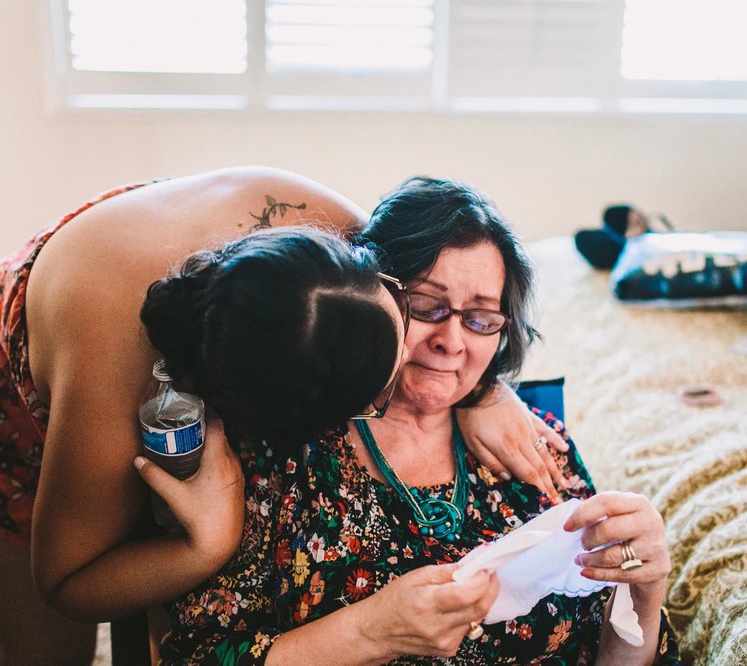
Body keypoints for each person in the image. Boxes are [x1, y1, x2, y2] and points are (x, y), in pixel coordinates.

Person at [0, 167, 566, 665]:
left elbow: (452, 280)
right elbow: (67, 581)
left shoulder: (347, 244)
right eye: (416, 315)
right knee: (43, 652)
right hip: (3, 363)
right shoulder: (113, 365)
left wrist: (485, 389)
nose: (424, 348)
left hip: (137, 273)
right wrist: (207, 545)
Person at [158, 176, 681, 664]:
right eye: (428, 306)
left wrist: (645, 589)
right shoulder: (287, 446)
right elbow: (200, 653)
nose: (452, 341)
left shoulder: (537, 445)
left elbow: (614, 647)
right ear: (374, 301)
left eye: (480, 319)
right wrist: (369, 631)